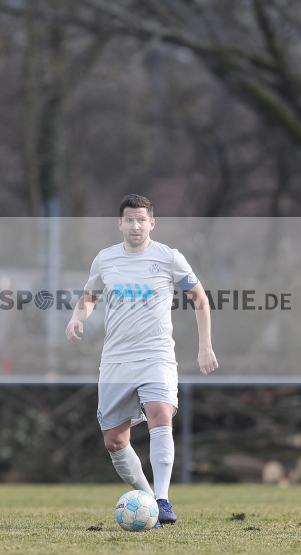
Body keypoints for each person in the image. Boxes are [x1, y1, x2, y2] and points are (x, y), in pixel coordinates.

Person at [65, 194, 218, 527]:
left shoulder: (169, 258)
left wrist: (205, 347)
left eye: (141, 219)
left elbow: (200, 298)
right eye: (129, 220)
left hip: (156, 355)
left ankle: (162, 499)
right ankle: (148, 501)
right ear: (120, 224)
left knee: (160, 413)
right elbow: (90, 297)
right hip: (117, 360)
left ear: (152, 223)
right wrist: (79, 317)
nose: (135, 225)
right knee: (115, 440)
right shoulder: (105, 259)